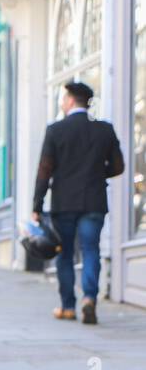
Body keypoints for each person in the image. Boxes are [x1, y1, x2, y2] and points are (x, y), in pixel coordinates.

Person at [32, 80, 125, 325]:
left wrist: (36, 206)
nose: (62, 103)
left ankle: (68, 306)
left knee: (64, 255)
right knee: (91, 249)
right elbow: (118, 167)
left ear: (71, 101)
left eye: (63, 99)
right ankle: (89, 299)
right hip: (94, 201)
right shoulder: (105, 130)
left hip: (64, 203)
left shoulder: (56, 130)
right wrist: (95, 175)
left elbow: (44, 171)